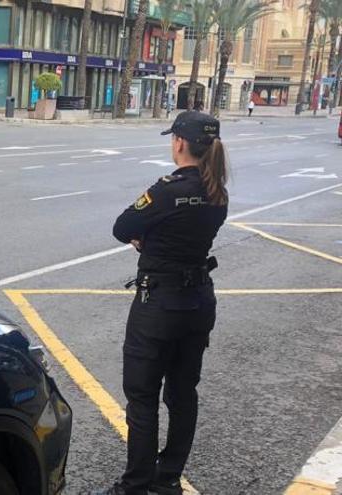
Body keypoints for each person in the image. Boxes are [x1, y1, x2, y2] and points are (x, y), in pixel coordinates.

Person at [93, 111, 229, 495]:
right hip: (198, 303)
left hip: (159, 304)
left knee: (142, 396)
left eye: (173, 139)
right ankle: (167, 478)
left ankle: (135, 485)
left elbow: (122, 227)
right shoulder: (217, 191)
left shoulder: (167, 190)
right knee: (183, 394)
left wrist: (146, 239)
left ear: (180, 143)